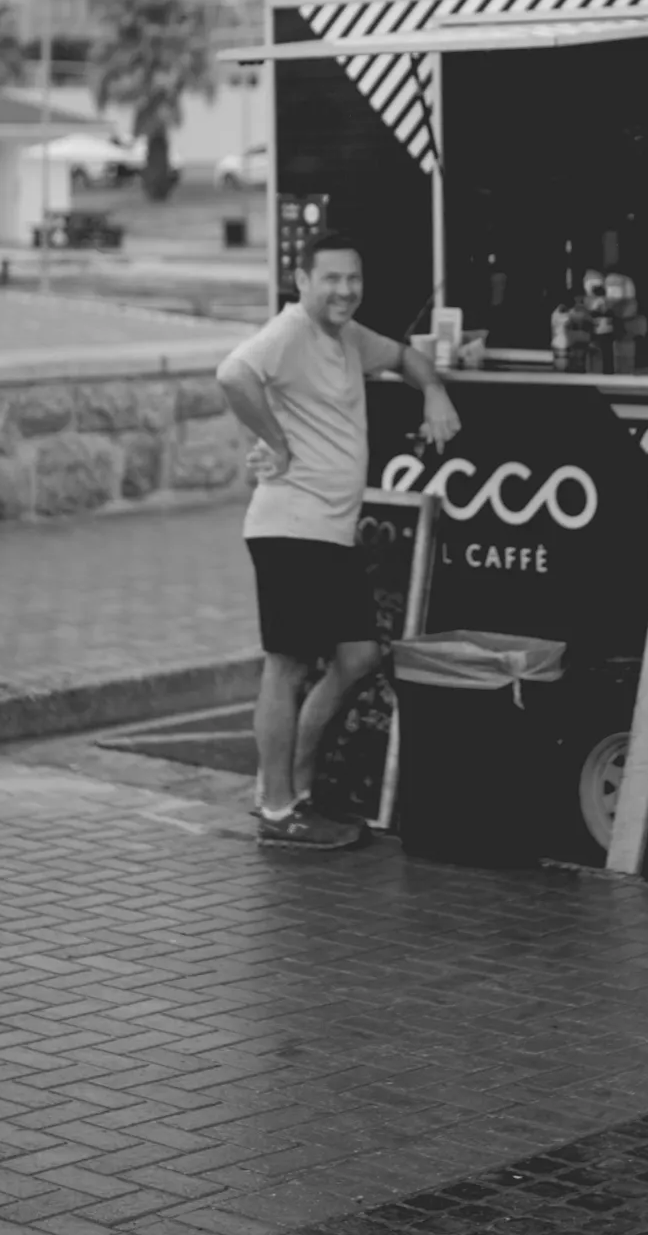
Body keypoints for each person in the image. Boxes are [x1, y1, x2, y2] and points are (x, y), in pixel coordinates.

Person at [217, 230, 460, 849]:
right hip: (289, 527)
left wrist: (432, 391)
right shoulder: (291, 332)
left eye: (353, 279)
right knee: (287, 664)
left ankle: (294, 782)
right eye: (331, 278)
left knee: (358, 657)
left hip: (331, 531)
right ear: (303, 280)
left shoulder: (347, 338)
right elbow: (232, 375)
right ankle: (276, 807)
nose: (345, 290)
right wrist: (275, 440)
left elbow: (406, 357)